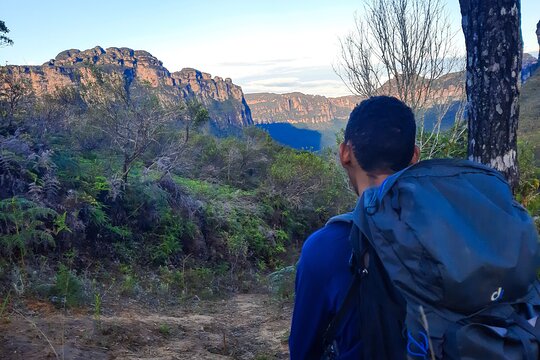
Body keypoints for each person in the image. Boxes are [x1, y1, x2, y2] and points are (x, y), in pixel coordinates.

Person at [289, 96, 419, 359]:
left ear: (345, 153)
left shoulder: (324, 249)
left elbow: (303, 350)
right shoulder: (454, 234)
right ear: (414, 157)